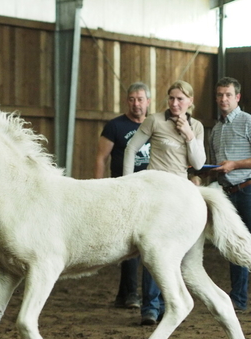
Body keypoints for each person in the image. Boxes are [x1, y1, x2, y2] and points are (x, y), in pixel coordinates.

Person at [123, 80, 206, 325]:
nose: (175, 103)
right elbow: (131, 147)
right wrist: (128, 183)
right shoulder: (155, 121)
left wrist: (189, 135)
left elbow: (199, 164)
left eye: (180, 99)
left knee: (171, 251)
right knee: (154, 247)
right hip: (156, 193)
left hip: (180, 195)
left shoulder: (197, 126)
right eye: (171, 98)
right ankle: (150, 307)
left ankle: (169, 305)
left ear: (190, 101)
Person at [94, 82, 151, 309]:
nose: (136, 104)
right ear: (127, 101)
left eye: (140, 99)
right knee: (130, 243)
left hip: (149, 192)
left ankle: (123, 294)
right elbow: (101, 158)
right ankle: (131, 294)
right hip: (122, 191)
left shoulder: (154, 124)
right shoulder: (115, 126)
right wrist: (98, 189)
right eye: (132, 99)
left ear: (147, 101)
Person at [209, 77, 251, 312]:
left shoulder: (247, 122)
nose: (223, 99)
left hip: (247, 189)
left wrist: (234, 165)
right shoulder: (215, 129)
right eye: (219, 95)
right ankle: (238, 298)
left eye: (227, 94)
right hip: (227, 193)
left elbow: (232, 164)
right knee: (235, 245)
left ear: (237, 97)